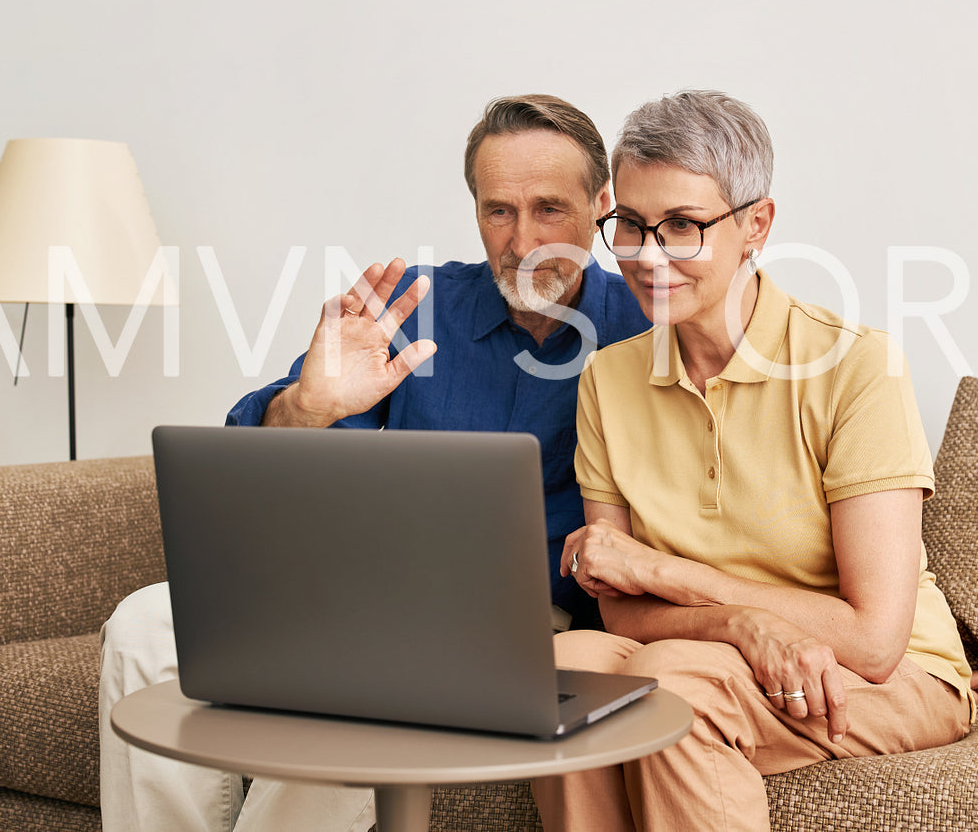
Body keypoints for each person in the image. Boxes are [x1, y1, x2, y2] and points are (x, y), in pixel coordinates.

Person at [98, 94, 650, 832]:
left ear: (601, 204)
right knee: (142, 625)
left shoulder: (644, 326)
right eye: (498, 211)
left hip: (516, 622)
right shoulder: (415, 306)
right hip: (357, 588)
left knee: (371, 692)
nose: (522, 240)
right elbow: (260, 457)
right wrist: (312, 403)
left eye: (549, 208)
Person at [532, 90, 978, 831]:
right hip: (708, 650)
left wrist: (669, 572)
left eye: (681, 225)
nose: (647, 255)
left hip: (897, 673)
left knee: (671, 684)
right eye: (632, 226)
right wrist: (741, 624)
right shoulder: (607, 381)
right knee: (557, 672)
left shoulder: (856, 366)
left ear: (755, 226)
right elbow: (618, 604)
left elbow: (872, 638)